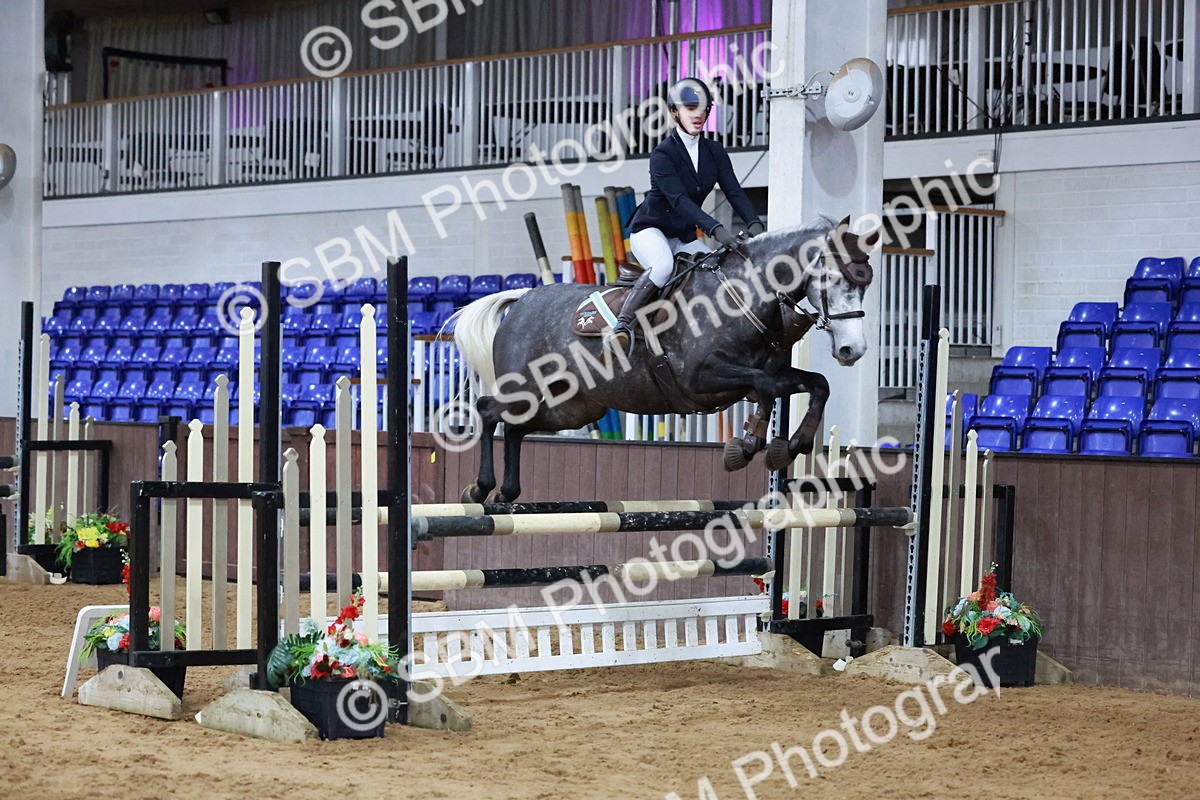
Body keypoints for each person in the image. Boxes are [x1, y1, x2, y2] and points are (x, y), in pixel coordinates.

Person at [605, 78, 766, 354]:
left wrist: (755, 223)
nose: (698, 114)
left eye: (704, 108)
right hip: (650, 231)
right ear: (674, 112)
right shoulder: (662, 154)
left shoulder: (714, 152)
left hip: (683, 236)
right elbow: (679, 201)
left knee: (717, 271)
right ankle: (622, 326)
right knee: (664, 266)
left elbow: (734, 191)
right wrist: (716, 230)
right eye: (691, 108)